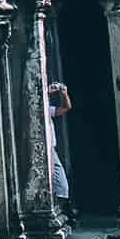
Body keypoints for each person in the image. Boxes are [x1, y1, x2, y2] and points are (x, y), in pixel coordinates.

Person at [48, 81, 76, 225]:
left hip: (51, 150)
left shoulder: (47, 109)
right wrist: (45, 92)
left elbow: (66, 107)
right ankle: (60, 211)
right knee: (61, 185)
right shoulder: (40, 108)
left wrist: (64, 93)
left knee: (62, 185)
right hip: (47, 151)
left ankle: (62, 211)